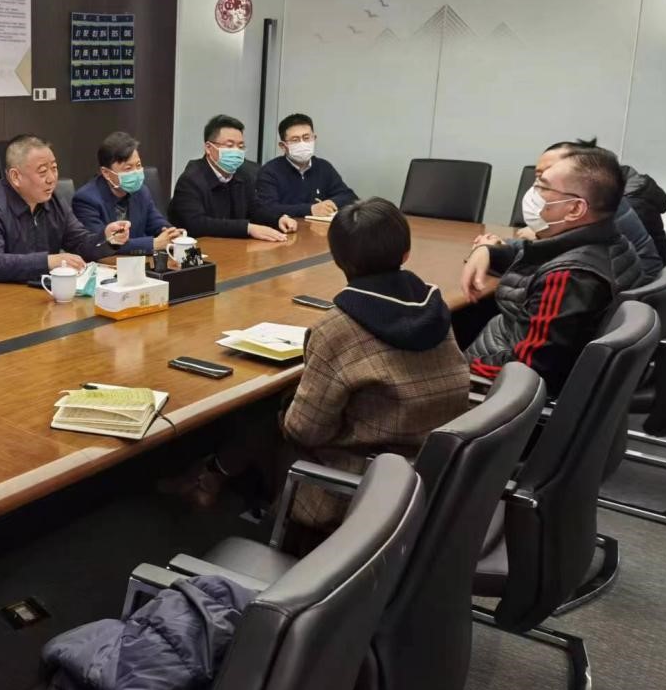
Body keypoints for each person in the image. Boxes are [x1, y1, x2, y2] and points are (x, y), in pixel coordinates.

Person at [164, 199, 469, 544]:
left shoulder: (338, 328)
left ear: (337, 258)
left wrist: (290, 404)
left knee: (265, 412)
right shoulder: (433, 305)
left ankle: (216, 488)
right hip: (429, 467)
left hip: (358, 488)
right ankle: (211, 478)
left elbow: (304, 431)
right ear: (406, 253)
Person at [465, 146, 643, 394]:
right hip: (508, 343)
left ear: (575, 208)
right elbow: (538, 253)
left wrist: (452, 371)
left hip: (504, 391)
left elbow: (527, 370)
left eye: (542, 187)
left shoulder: (571, 277)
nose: (532, 194)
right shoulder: (611, 241)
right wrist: (488, 251)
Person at [474, 139, 662, 284]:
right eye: (538, 176)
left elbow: (560, 261)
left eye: (546, 178)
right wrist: (498, 249)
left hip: (635, 290)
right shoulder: (593, 212)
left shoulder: (598, 208)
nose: (536, 187)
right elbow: (552, 248)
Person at [0, 134, 130, 283]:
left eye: (54, 169)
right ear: (15, 177)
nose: (51, 179)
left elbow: (79, 243)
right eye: (42, 172)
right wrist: (48, 262)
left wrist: (107, 239)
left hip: (36, 290)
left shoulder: (53, 201)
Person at [168, 115, 294, 241]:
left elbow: (256, 209)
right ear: (208, 148)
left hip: (234, 246)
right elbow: (196, 224)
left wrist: (278, 219)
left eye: (240, 146)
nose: (236, 151)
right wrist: (247, 228)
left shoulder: (244, 175)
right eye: (229, 145)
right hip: (199, 247)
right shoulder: (190, 179)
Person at [72, 131, 184, 255]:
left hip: (138, 263)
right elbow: (101, 245)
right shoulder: (86, 200)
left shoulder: (141, 191)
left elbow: (155, 222)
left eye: (138, 165)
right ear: (106, 173)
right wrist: (154, 243)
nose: (136, 172)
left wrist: (170, 233)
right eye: (128, 168)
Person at [253, 113, 358, 222]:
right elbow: (266, 209)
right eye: (295, 140)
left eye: (306, 138)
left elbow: (350, 197)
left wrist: (332, 202)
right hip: (286, 230)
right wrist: (310, 209)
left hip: (318, 229)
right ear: (283, 146)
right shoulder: (270, 171)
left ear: (314, 139)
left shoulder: (324, 167)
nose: (302, 143)